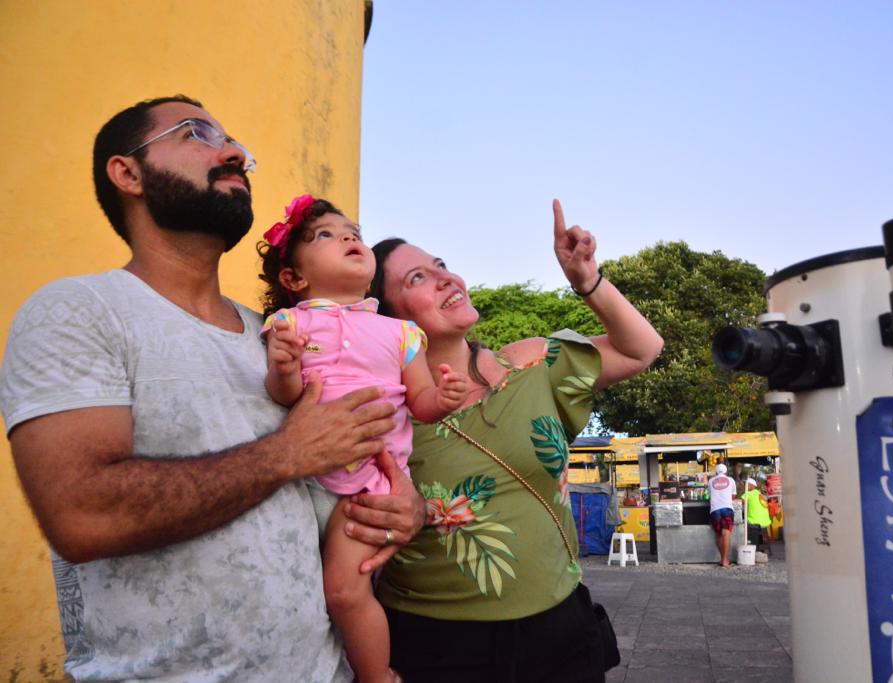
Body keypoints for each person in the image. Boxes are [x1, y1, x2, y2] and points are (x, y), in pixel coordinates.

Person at [0, 95, 424, 682]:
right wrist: (287, 453)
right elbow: (82, 515)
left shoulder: (276, 337)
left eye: (234, 144)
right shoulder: (79, 311)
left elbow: (329, 486)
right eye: (195, 133)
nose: (233, 153)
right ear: (128, 173)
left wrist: (404, 508)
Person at [366, 199, 664, 681]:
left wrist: (586, 280)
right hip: (436, 646)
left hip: (561, 632)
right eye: (416, 279)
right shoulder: (387, 406)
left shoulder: (528, 362)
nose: (445, 277)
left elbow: (642, 348)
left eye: (439, 265)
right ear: (390, 318)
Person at [256, 194, 469, 683]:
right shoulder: (289, 324)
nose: (349, 237)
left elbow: (422, 403)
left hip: (369, 485)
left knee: (346, 593)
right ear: (294, 278)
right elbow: (284, 397)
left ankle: (378, 676)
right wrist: (283, 369)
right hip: (301, 480)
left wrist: (446, 396)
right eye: (326, 235)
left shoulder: (400, 333)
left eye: (352, 230)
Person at [708, 462, 738, 567]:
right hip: (727, 508)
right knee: (726, 533)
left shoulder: (711, 481)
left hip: (714, 510)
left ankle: (723, 560)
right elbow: (733, 496)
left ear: (716, 472)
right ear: (726, 472)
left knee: (719, 534)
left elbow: (710, 495)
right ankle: (725, 561)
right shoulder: (731, 480)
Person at [742, 476, 772, 554]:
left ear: (752, 486)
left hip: (755, 521)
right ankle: (760, 546)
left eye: (747, 485)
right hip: (766, 522)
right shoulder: (760, 494)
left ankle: (752, 546)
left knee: (742, 525)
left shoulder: (748, 493)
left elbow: (740, 502)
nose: (745, 486)